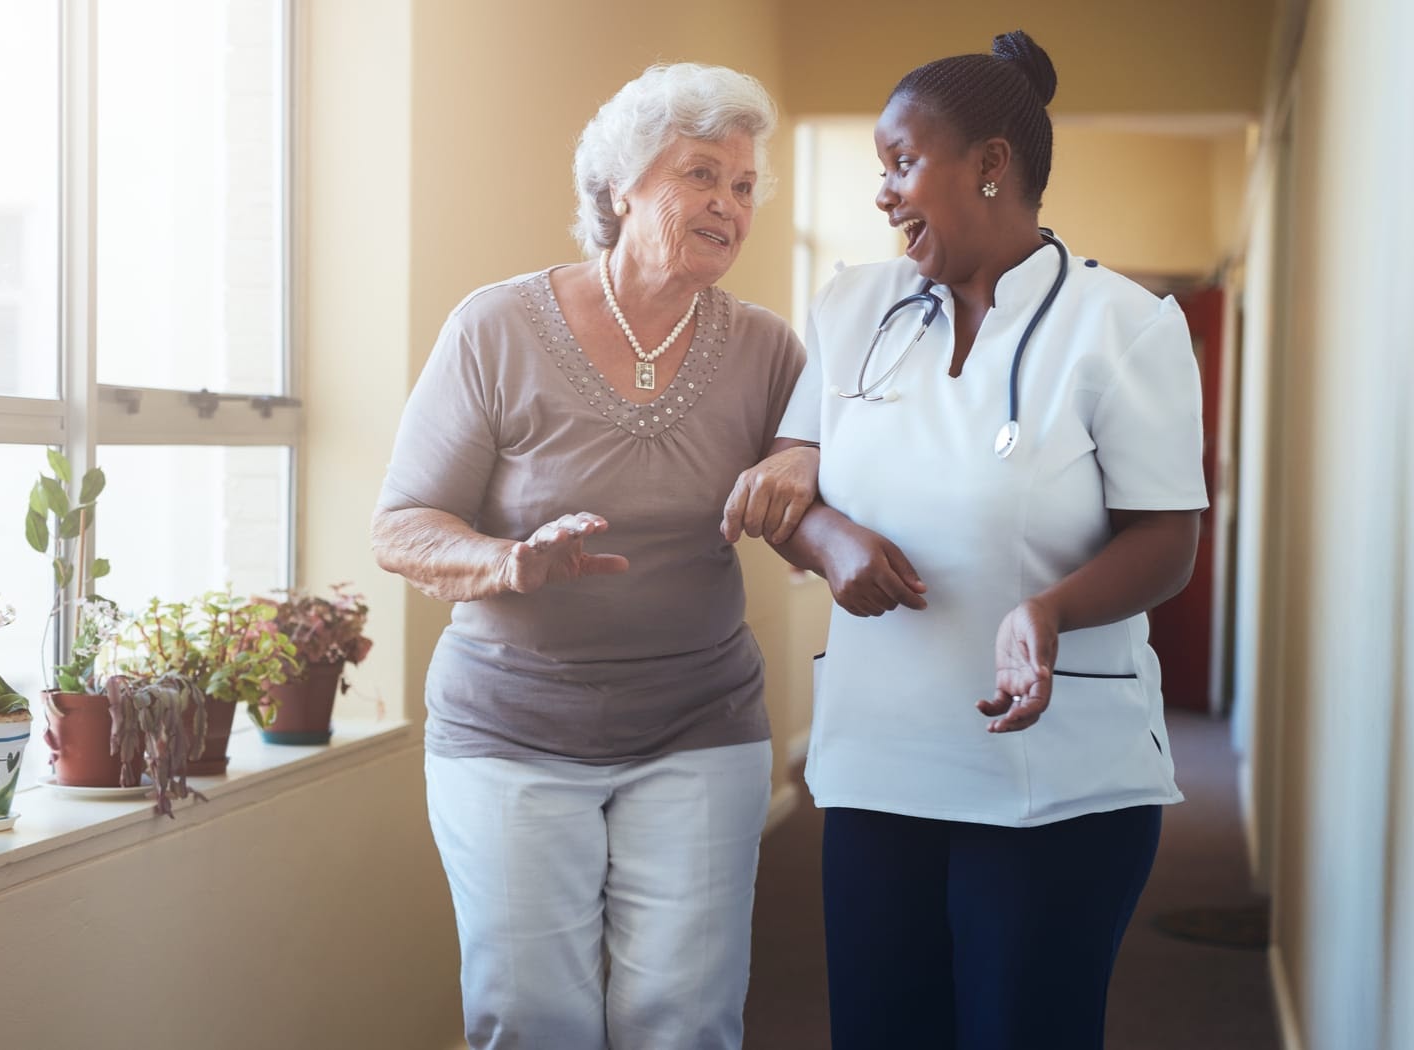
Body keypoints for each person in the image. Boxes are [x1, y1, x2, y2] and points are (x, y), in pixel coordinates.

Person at [722, 30, 1207, 1050]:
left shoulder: (1123, 326)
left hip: (1054, 775)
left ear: (990, 164)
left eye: (901, 163)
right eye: (877, 169)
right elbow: (790, 482)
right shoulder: (857, 307)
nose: (883, 192)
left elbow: (1166, 539)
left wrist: (1050, 609)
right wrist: (829, 538)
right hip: (878, 766)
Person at [371, 63, 805, 1050]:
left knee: (686, 1019)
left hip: (700, 722)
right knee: (531, 1018)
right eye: (702, 174)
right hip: (510, 725)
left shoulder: (765, 348)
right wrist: (508, 564)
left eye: (743, 187)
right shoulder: (497, 327)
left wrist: (805, 454)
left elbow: (824, 465)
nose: (729, 205)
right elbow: (402, 523)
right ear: (619, 186)